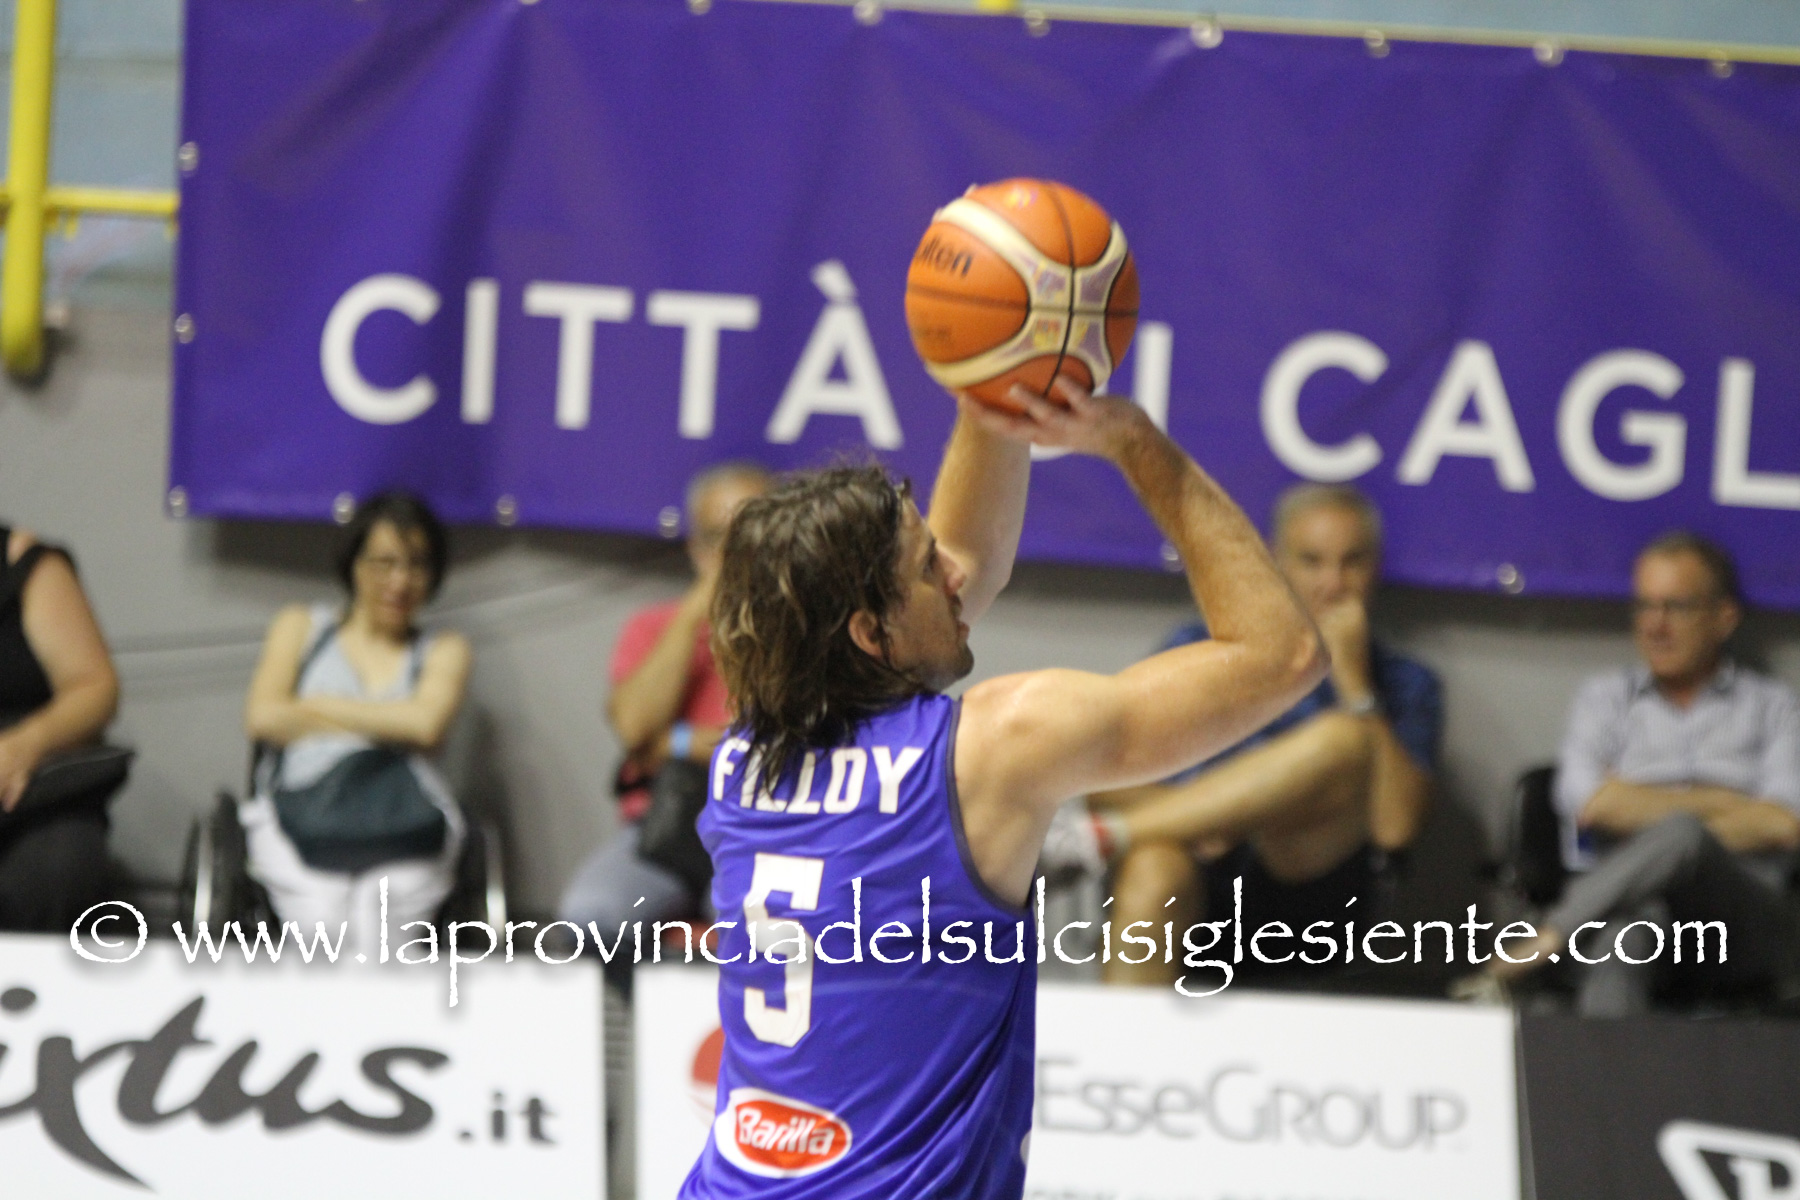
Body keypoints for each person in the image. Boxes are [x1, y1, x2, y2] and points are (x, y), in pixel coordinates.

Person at [680, 381, 1325, 1199]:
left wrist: (995, 393)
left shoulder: (744, 752)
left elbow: (959, 566)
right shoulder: (995, 747)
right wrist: (1135, 443)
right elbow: (1283, 655)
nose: (955, 572)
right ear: (870, 633)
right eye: (927, 566)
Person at [1051, 483, 1441, 986]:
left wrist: (1355, 685)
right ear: (1275, 562)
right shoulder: (1202, 648)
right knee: (1153, 868)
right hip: (1197, 877)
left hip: (1311, 894)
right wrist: (1213, 819)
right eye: (1312, 561)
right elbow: (1103, 781)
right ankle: (1116, 1041)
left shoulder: (1407, 682)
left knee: (1343, 739)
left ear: (1376, 568)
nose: (1333, 583)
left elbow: (1397, 830)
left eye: (1353, 562)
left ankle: (1094, 842)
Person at [1469, 532, 1800, 1015]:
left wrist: (1647, 807)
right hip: (1631, 907)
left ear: (1724, 617)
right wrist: (1727, 802)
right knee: (1625, 936)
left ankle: (1543, 942)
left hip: (1742, 924)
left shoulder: (1776, 707)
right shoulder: (1604, 699)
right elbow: (1590, 804)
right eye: (1644, 606)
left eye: (1676, 607)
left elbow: (1785, 824)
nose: (1654, 626)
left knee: (1684, 834)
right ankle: (1600, 1068)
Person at [558, 463, 771, 972]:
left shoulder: (805, 630)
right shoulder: (653, 627)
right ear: (696, 548)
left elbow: (773, 744)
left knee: (756, 929)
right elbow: (633, 728)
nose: (736, 555)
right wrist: (696, 611)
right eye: (720, 538)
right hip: (664, 827)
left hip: (762, 829)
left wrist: (670, 742)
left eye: (752, 534)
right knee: (592, 916)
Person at [243, 492, 471, 958]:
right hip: (300, 808)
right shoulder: (302, 626)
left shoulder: (443, 649)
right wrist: (389, 721)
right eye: (385, 563)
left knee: (379, 929)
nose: (400, 581)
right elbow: (263, 716)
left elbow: (426, 725)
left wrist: (315, 708)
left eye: (417, 565)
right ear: (353, 564)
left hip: (405, 822)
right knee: (321, 923)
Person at [0, 525, 121, 931]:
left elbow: (95, 688)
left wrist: (23, 746)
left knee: (54, 873)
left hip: (32, 783)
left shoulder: (24, 562)